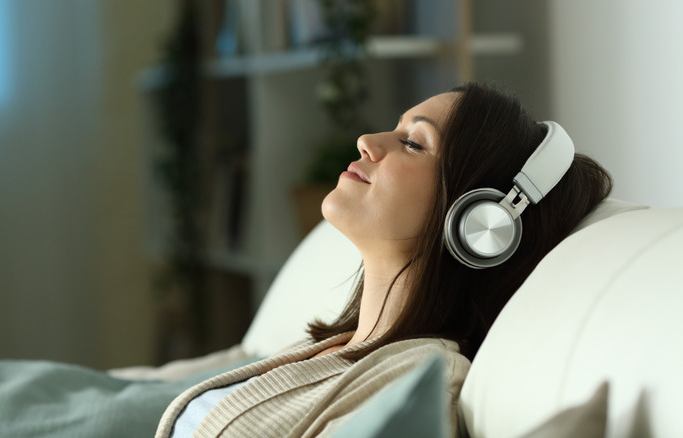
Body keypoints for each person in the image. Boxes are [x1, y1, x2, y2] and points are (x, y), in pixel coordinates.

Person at [154, 83, 613, 438]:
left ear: (481, 223)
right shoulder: (328, 348)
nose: (366, 140)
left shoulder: (418, 380)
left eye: (414, 143)